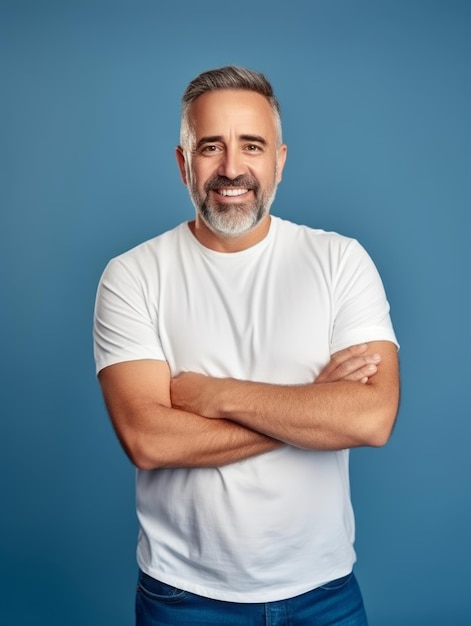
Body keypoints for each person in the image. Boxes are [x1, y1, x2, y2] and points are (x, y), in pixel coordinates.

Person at [93, 65, 400, 626]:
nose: (232, 169)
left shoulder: (340, 261)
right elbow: (148, 438)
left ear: (279, 161)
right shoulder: (132, 275)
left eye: (251, 146)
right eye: (211, 147)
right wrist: (313, 410)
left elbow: (372, 417)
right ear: (185, 164)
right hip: (182, 599)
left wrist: (212, 394)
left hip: (323, 595)